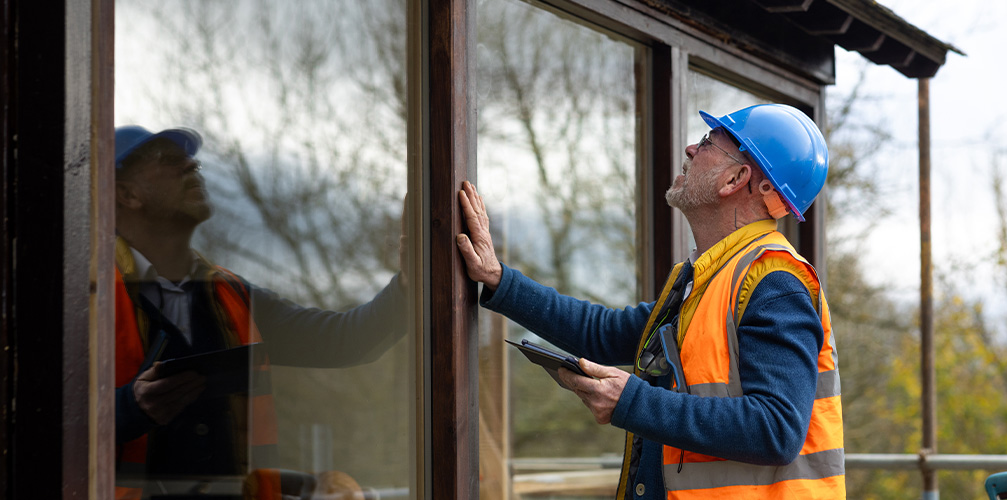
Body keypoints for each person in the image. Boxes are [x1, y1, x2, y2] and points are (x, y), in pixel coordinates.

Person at [457, 104, 844, 499]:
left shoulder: (774, 284)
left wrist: (632, 401)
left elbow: (776, 429)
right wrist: (497, 278)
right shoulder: (709, 280)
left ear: (736, 178)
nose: (692, 148)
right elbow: (602, 333)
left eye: (709, 142)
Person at [112, 125, 410, 499]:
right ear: (126, 194)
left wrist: (410, 286)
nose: (191, 165)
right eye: (169, 160)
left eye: (190, 160)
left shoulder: (229, 294)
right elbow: (38, 429)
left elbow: (344, 341)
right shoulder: (83, 299)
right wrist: (130, 407)